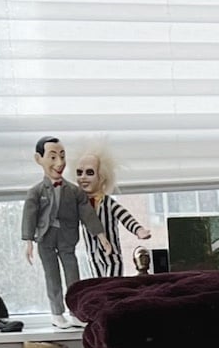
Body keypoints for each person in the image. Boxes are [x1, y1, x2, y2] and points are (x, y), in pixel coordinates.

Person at [21, 137, 111, 322]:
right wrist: (28, 241)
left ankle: (75, 311)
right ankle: (56, 312)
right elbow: (29, 215)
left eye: (62, 156)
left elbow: (87, 213)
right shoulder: (36, 192)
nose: (59, 162)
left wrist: (101, 236)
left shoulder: (75, 191)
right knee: (52, 276)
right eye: (53, 157)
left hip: (67, 238)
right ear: (39, 159)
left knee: (73, 275)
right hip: (45, 239)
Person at [71, 142, 150, 277]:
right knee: (98, 288)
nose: (83, 177)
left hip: (112, 257)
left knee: (112, 287)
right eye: (79, 173)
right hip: (93, 256)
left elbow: (125, 217)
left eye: (89, 172)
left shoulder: (108, 203)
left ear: (101, 178)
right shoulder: (80, 205)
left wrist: (138, 230)